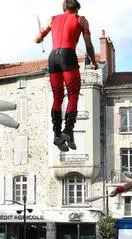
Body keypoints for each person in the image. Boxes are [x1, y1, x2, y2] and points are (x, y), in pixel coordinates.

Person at [34, 0, 98, 152]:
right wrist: (94, 62)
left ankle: (57, 133)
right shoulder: (81, 19)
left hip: (53, 57)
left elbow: (37, 39)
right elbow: (88, 44)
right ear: (77, 8)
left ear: (64, 8)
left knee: (57, 97)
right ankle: (68, 130)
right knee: (73, 95)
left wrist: (40, 39)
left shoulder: (52, 19)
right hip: (68, 55)